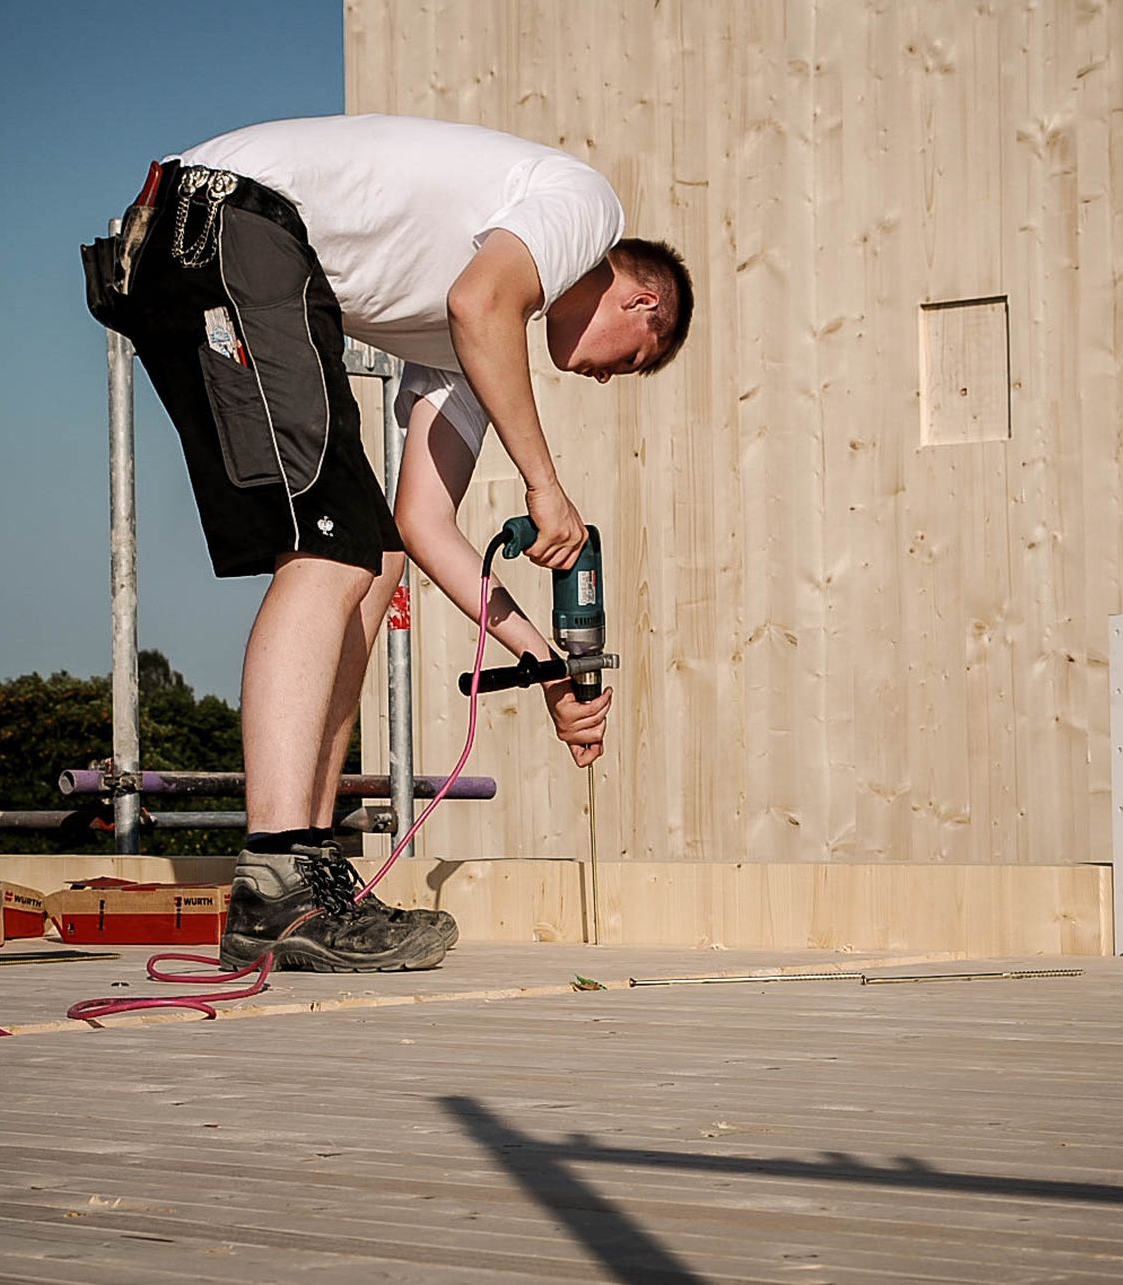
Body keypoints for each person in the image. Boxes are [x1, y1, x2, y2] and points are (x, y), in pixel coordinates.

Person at [82, 113, 694, 973]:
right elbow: (478, 301)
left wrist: (545, 661)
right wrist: (545, 486)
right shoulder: (585, 207)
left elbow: (427, 526)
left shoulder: (474, 342)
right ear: (643, 302)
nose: (604, 378)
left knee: (371, 552)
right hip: (229, 223)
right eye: (629, 361)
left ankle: (310, 874)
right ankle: (277, 881)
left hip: (203, 247)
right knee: (330, 552)